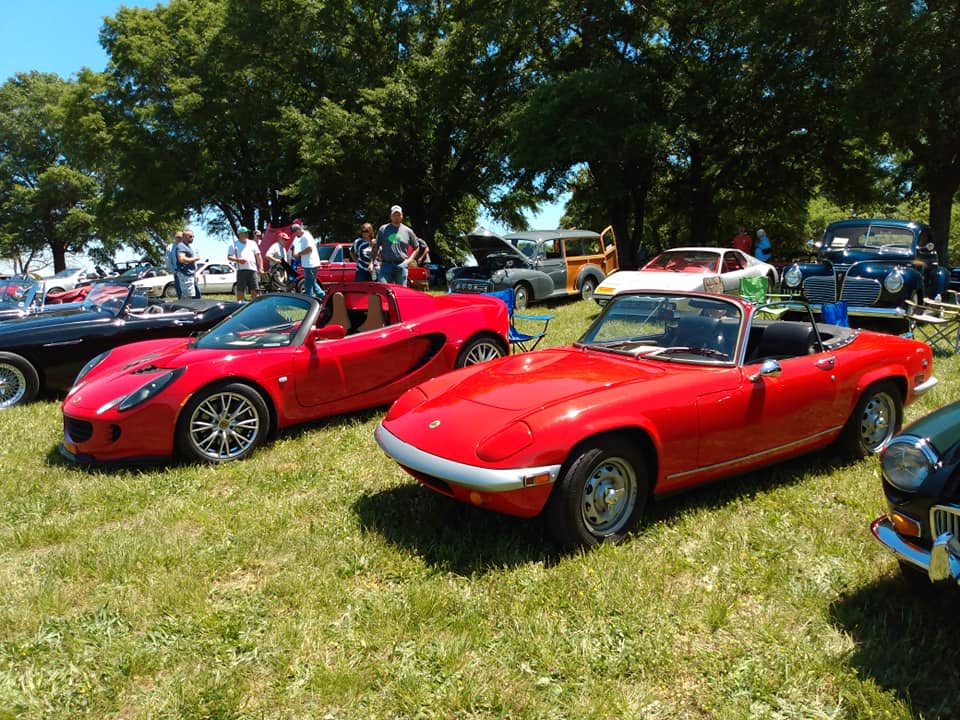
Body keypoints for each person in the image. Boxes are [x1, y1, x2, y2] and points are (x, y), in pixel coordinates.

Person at [371, 205, 419, 285]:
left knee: (401, 292)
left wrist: (409, 260)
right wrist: (371, 262)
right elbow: (376, 247)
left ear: (402, 216)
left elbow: (416, 247)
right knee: (384, 290)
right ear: (391, 216)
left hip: (401, 265)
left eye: (398, 215)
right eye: (394, 215)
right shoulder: (383, 229)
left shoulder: (408, 231)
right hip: (386, 265)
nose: (396, 217)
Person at [227, 226, 263, 301]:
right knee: (240, 291)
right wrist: (238, 260)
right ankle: (239, 306)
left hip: (253, 269)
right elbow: (229, 257)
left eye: (247, 232)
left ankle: (255, 306)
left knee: (255, 290)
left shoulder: (252, 243)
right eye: (245, 233)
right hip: (241, 270)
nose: (247, 234)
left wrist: (261, 267)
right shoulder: (234, 245)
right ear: (240, 234)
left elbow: (258, 255)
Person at [291, 220, 324, 299]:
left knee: (308, 287)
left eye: (295, 233)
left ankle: (311, 303)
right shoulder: (306, 236)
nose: (295, 236)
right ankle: (324, 298)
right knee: (313, 284)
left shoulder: (306, 237)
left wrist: (299, 254)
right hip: (310, 264)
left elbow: (309, 249)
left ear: (298, 230)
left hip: (310, 265)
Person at [175, 228, 201, 299]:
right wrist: (195, 259)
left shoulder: (187, 246)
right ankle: (184, 309)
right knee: (187, 297)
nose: (192, 238)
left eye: (193, 236)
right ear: (184, 237)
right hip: (185, 274)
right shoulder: (181, 246)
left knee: (188, 296)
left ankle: (185, 309)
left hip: (189, 274)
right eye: (190, 236)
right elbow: (181, 259)